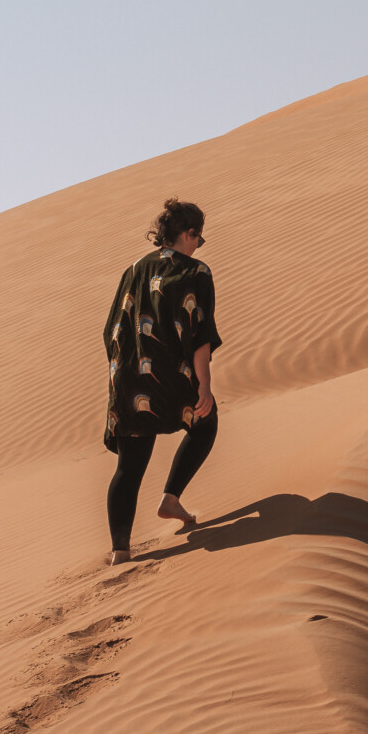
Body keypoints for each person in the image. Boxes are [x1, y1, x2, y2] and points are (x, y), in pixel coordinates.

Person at [102, 197, 221, 565]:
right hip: (170, 375)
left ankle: (120, 551)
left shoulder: (133, 269)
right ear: (189, 234)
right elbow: (200, 335)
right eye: (198, 238)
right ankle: (171, 497)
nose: (199, 245)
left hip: (127, 377)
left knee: (130, 464)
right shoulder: (196, 273)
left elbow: (112, 329)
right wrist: (204, 386)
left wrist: (122, 374)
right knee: (205, 422)